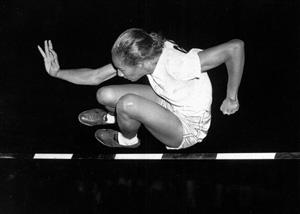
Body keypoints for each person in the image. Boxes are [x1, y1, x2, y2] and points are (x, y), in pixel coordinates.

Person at [38, 28, 244, 149]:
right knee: (104, 94)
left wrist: (231, 97)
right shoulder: (145, 52)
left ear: (141, 64)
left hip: (187, 127)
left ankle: (128, 139)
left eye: (122, 70)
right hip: (167, 100)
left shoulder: (177, 65)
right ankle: (114, 117)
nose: (119, 73)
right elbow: (95, 76)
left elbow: (235, 47)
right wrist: (57, 73)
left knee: (127, 103)